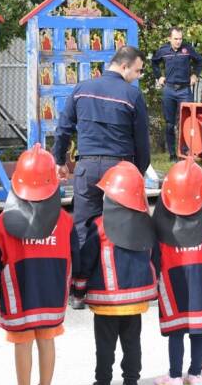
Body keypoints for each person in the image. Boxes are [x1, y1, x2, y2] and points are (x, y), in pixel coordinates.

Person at [0, 145, 79, 385]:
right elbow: (74, 254)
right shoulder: (65, 221)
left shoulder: (3, 222)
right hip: (51, 296)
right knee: (47, 339)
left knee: (22, 342)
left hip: (20, 297)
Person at [54, 45, 151, 252]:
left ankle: (82, 280)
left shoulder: (81, 89)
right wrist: (138, 173)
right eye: (138, 71)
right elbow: (142, 143)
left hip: (87, 168)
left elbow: (63, 129)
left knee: (83, 228)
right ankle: (115, 276)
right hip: (120, 170)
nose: (138, 76)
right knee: (121, 228)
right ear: (124, 66)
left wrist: (60, 161)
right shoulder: (132, 96)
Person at [73, 162, 156, 385]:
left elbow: (85, 264)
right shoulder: (146, 224)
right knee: (132, 343)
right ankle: (131, 384)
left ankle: (103, 384)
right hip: (136, 303)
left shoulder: (98, 228)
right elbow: (155, 259)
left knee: (105, 345)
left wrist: (78, 293)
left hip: (106, 303)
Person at [152, 158, 202, 385]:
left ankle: (174, 378)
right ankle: (196, 376)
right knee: (198, 331)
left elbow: (155, 259)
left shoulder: (161, 225)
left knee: (177, 331)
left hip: (175, 287)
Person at [151, 28, 202, 161]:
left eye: (180, 39)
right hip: (169, 90)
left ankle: (185, 152)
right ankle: (172, 154)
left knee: (187, 122)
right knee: (170, 124)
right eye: (176, 39)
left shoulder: (187, 49)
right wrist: (159, 77)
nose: (178, 41)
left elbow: (200, 61)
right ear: (169, 39)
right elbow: (154, 62)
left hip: (185, 90)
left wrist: (195, 75)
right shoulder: (163, 50)